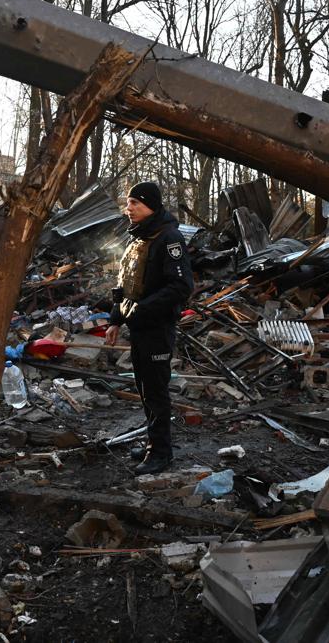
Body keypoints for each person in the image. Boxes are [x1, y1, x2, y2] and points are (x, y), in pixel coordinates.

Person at [105, 181, 193, 475]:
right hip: (138, 326)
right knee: (145, 388)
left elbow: (181, 285)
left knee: (156, 390)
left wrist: (143, 310)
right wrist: (116, 319)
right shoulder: (138, 238)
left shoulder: (169, 239)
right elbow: (125, 285)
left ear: (151, 206)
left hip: (156, 327)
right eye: (128, 203)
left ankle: (161, 453)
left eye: (135, 204)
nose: (128, 209)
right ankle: (153, 444)